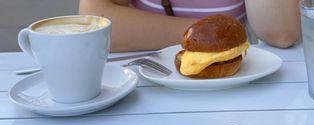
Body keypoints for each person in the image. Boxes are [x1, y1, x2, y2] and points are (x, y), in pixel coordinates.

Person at [79, 0, 301, 52]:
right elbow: (98, 24)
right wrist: (215, 35)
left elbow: (281, 31)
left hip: (231, 90)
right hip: (144, 87)